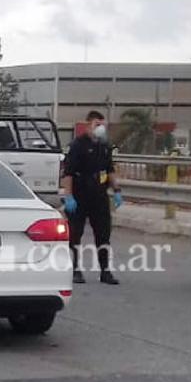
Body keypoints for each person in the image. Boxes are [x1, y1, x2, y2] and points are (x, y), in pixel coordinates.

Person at [63, 110, 123, 285]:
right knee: (75, 234)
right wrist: (68, 196)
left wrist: (117, 190)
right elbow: (68, 173)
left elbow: (109, 170)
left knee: (103, 234)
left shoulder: (104, 146)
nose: (100, 129)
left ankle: (105, 271)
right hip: (79, 196)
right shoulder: (78, 145)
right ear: (88, 124)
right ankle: (75, 270)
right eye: (97, 125)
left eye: (103, 125)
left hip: (99, 196)